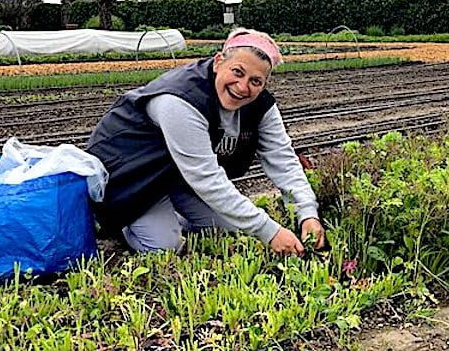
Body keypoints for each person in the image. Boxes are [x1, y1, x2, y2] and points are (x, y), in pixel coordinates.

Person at [86, 28, 325, 256]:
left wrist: (307, 213)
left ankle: (169, 214)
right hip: (132, 174)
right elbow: (206, 178)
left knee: (231, 231)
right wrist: (269, 231)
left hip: (177, 173)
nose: (243, 87)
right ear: (219, 61)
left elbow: (282, 157)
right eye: (237, 72)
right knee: (164, 247)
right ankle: (129, 223)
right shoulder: (180, 100)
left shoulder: (261, 105)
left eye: (256, 81)